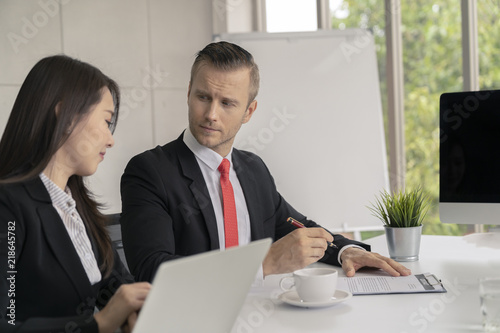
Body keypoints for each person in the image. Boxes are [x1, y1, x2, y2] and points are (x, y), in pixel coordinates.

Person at [120, 41, 411, 283]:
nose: (211, 113)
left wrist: (343, 251)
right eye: (203, 97)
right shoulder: (149, 172)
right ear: (188, 94)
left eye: (227, 103)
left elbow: (295, 226)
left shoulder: (253, 169)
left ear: (249, 111)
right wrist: (264, 262)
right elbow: (152, 269)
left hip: (264, 313)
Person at [0, 55, 150, 333]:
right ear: (66, 115)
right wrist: (99, 324)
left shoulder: (76, 208)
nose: (111, 138)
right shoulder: (8, 208)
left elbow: (115, 288)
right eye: (107, 121)